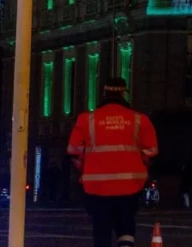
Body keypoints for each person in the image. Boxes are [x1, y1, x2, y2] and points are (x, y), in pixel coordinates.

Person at [68, 77, 158, 247]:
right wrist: (142, 165)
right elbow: (151, 152)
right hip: (130, 186)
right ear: (124, 93)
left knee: (101, 229)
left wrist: (85, 168)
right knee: (126, 226)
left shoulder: (86, 120)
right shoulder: (140, 119)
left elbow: (73, 151)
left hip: (96, 188)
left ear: (104, 93)